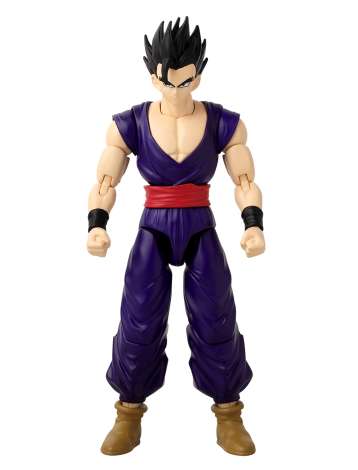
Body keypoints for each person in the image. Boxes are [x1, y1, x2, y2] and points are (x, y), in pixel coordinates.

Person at [86, 17, 265, 456]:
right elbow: (106, 180)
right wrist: (97, 224)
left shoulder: (223, 123)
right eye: (169, 82)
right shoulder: (130, 123)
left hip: (201, 225)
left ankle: (229, 412)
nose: (177, 91)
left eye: (186, 81)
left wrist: (253, 224)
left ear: (197, 75)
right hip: (154, 226)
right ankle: (128, 411)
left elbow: (244, 179)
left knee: (216, 315)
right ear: (154, 77)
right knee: (139, 318)